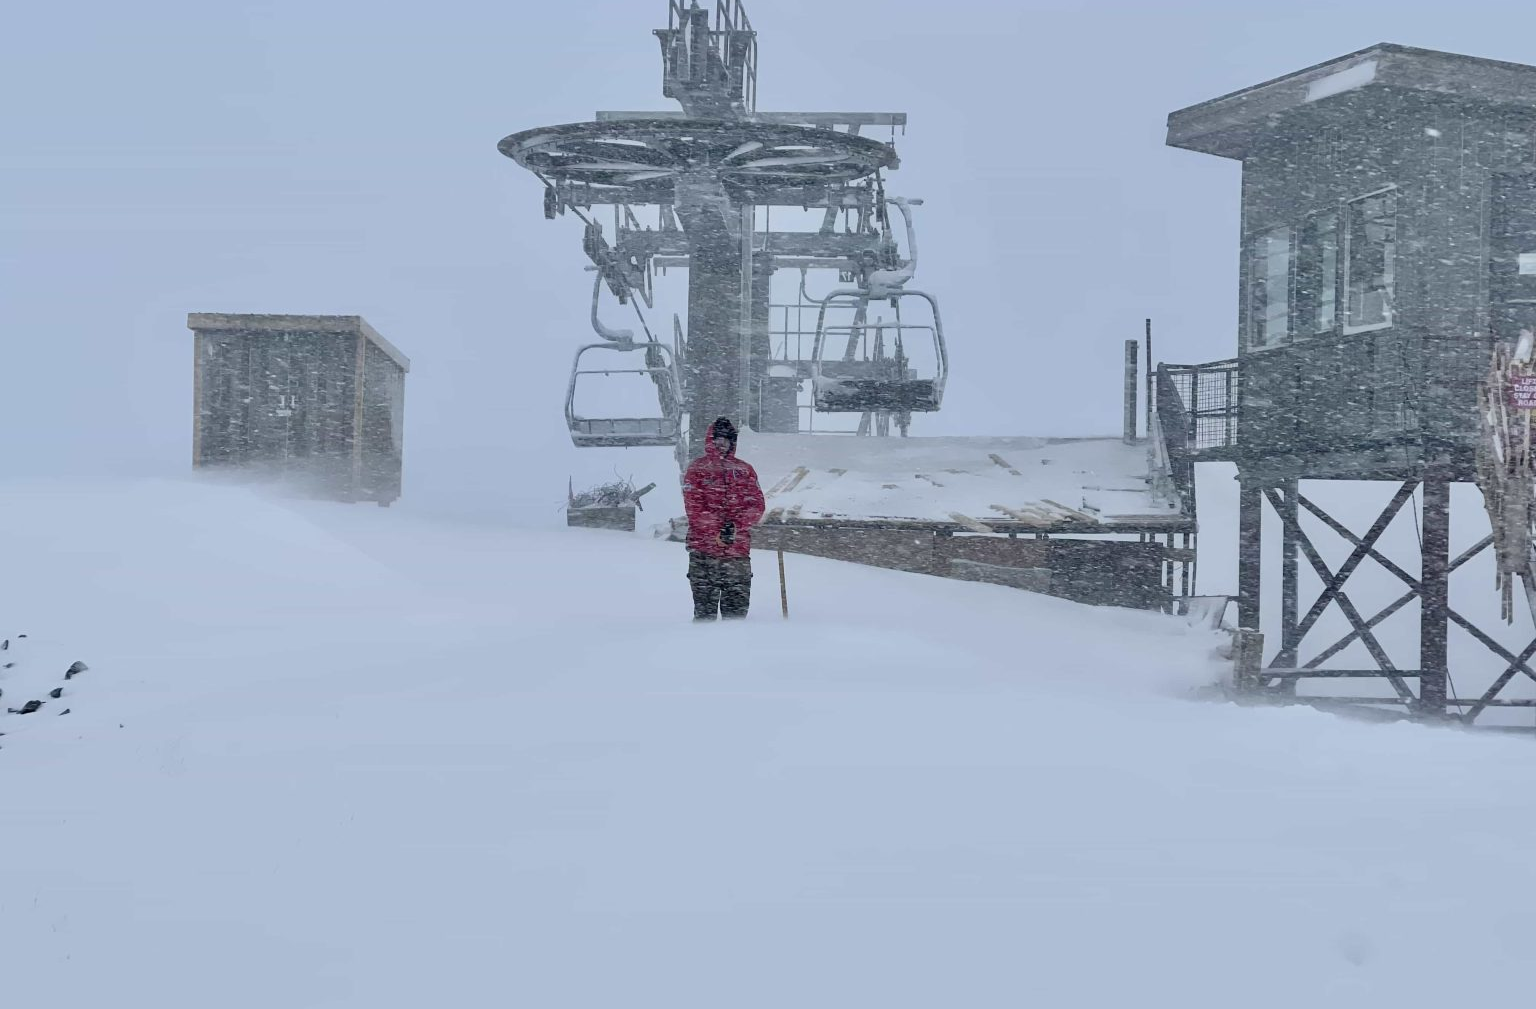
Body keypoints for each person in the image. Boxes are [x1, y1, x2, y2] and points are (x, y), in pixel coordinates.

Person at [682, 417, 766, 620]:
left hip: (736, 556)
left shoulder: (744, 470)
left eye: (725, 439)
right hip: (703, 554)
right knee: (704, 617)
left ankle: (734, 650)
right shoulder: (697, 469)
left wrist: (734, 527)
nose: (720, 443)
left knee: (736, 617)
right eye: (716, 438)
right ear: (709, 440)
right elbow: (694, 507)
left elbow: (757, 505)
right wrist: (718, 530)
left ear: (732, 442)